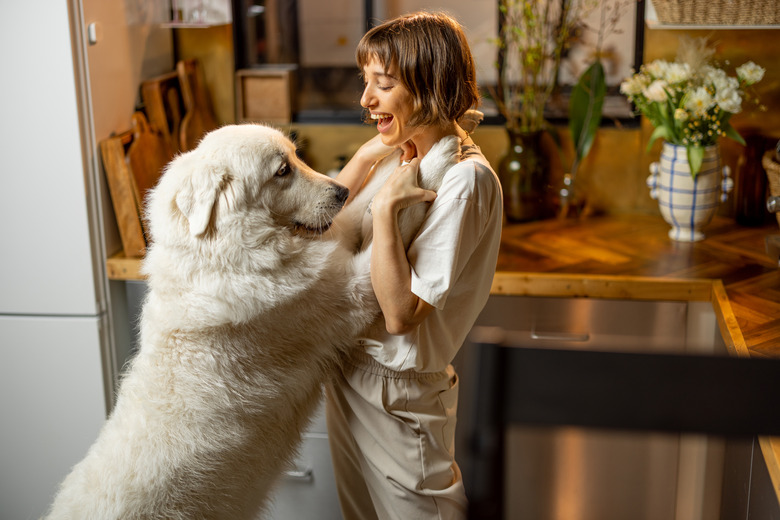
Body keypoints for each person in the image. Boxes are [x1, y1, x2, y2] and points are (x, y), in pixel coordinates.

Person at [325, 11, 503, 520]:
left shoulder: (464, 180)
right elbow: (324, 218)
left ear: (429, 86)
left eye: (382, 85)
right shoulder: (401, 157)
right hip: (349, 371)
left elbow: (401, 314)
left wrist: (384, 212)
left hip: (397, 393)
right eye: (367, 83)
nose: (365, 100)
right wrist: (364, 161)